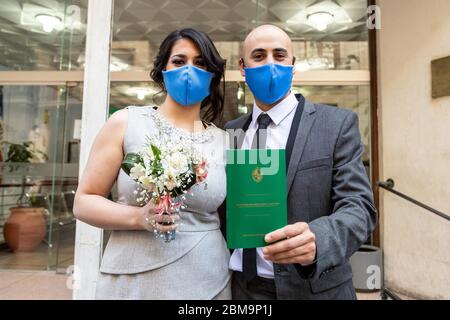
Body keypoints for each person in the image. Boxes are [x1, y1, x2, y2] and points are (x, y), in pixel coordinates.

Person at [74, 28, 232, 299]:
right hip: (132, 278)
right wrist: (137, 217)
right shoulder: (126, 123)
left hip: (208, 277)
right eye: (179, 61)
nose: (189, 70)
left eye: (200, 63)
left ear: (212, 76)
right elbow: (84, 201)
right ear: (162, 71)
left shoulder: (225, 141)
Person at [224, 24, 377, 300]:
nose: (270, 64)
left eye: (279, 55)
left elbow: (360, 208)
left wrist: (319, 239)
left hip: (314, 290)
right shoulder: (232, 131)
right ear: (243, 69)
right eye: (259, 56)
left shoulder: (336, 125)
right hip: (244, 290)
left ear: (293, 65)